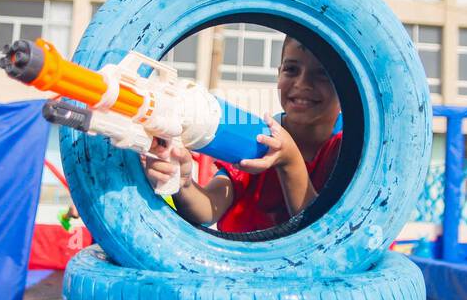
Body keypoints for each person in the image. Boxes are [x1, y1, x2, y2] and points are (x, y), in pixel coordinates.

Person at [143, 35, 342, 232]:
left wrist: (290, 161)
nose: (302, 83)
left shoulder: (355, 148)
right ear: (279, 73)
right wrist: (184, 183)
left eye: (322, 73)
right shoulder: (256, 139)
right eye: (291, 69)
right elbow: (210, 208)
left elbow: (324, 233)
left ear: (348, 86)